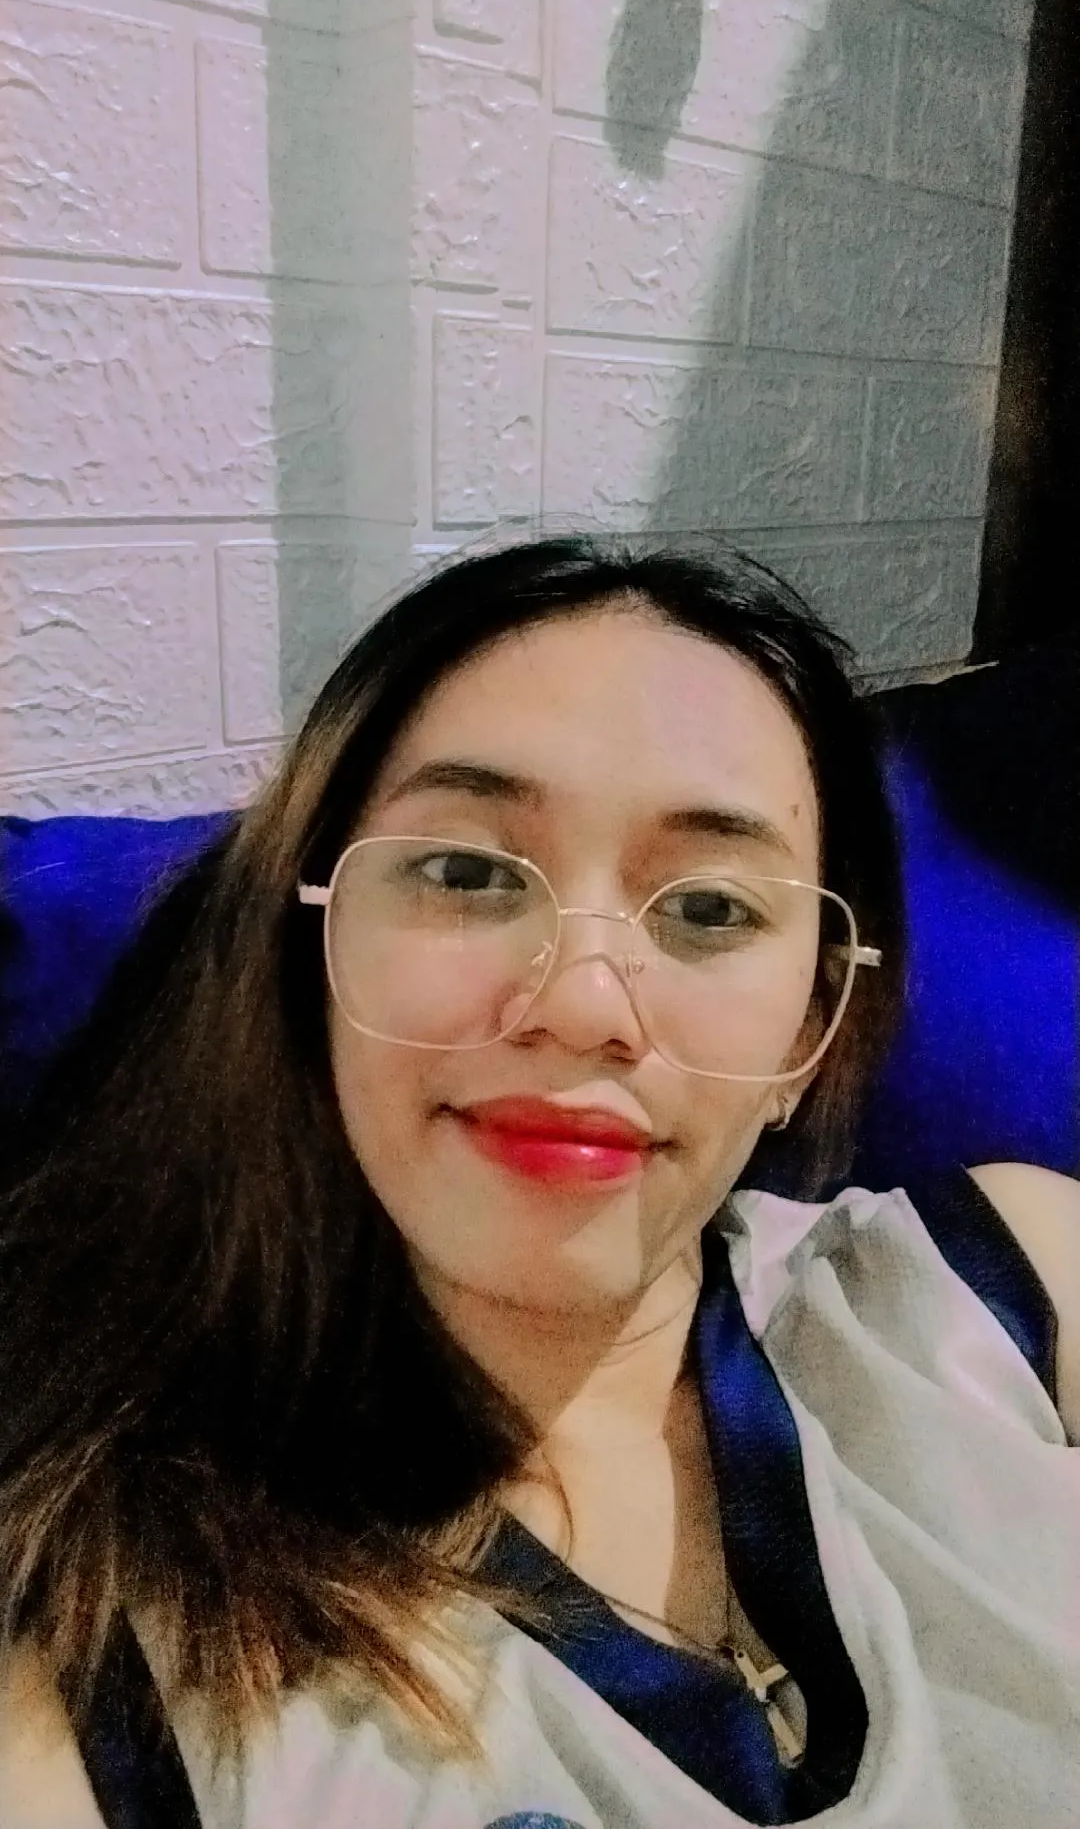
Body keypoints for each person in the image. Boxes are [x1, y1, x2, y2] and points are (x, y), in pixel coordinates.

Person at [0, 533, 1077, 1829]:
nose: (581, 1007)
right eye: (465, 873)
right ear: (311, 956)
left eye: (710, 909)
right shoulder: (99, 1677)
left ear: (810, 1030)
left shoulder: (1017, 1285)